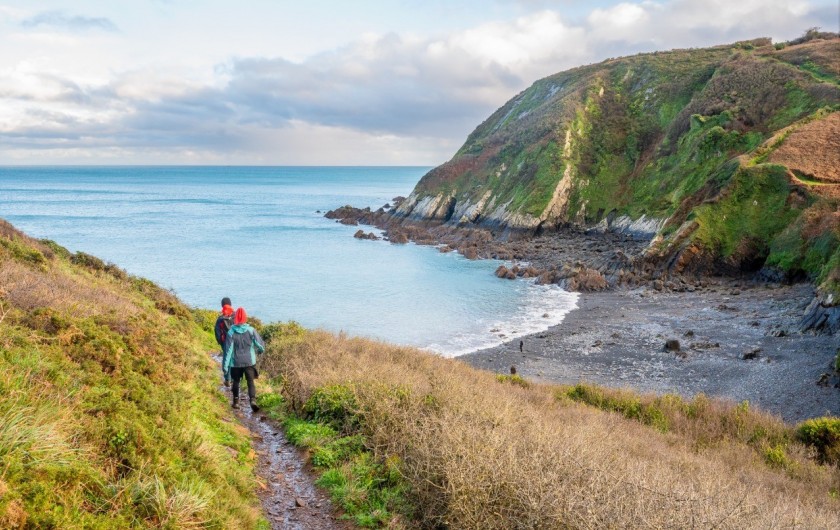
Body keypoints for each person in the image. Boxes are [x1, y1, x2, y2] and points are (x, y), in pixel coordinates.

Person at [222, 307, 265, 412]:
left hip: (235, 362)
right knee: (250, 382)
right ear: (245, 317)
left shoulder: (231, 332)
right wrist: (261, 350)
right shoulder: (251, 330)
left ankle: (236, 402)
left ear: (235, 318)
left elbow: (228, 351)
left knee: (236, 381)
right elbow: (259, 345)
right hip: (249, 361)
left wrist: (225, 367)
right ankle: (253, 401)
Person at [214, 297, 235, 387]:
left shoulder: (220, 319)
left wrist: (221, 342)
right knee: (233, 358)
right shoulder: (235, 315)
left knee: (226, 358)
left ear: (222, 305)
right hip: (234, 341)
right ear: (230, 304)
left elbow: (217, 332)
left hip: (225, 342)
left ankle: (227, 379)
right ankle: (234, 378)